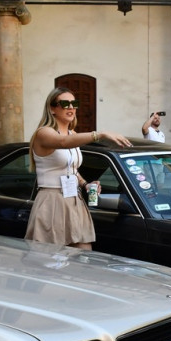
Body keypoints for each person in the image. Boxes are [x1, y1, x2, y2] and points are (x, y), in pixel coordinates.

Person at [25, 87, 131, 250]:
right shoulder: (44, 133)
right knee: (50, 259)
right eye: (65, 103)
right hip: (52, 199)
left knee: (83, 254)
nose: (71, 107)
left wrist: (84, 184)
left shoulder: (71, 132)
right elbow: (62, 143)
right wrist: (100, 134)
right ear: (52, 109)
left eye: (74, 103)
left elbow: (71, 168)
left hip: (74, 198)